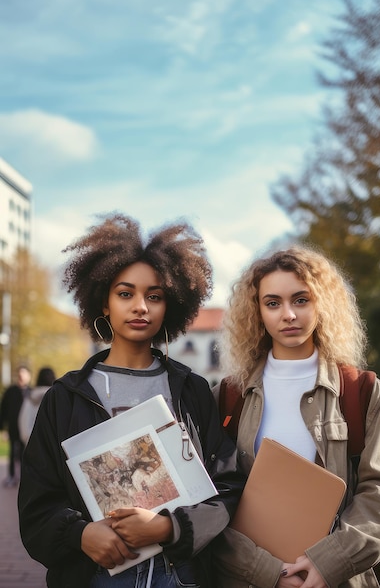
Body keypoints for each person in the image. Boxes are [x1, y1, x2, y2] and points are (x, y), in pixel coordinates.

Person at [18, 213, 244, 588]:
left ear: (169, 304)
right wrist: (80, 534)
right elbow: (36, 504)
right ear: (103, 303)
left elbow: (228, 488)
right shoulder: (65, 397)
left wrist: (169, 527)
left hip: (180, 575)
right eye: (126, 294)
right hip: (94, 575)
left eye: (154, 296)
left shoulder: (193, 390)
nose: (140, 306)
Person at [212, 245, 380, 588]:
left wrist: (328, 563)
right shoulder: (228, 396)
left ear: (322, 303)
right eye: (273, 303)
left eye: (301, 300)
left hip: (340, 578)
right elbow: (210, 502)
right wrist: (267, 572)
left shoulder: (363, 392)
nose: (288, 314)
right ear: (256, 311)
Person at [0, 364, 32, 487]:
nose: (21, 377)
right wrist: (3, 429)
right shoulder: (10, 391)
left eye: (24, 374)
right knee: (13, 452)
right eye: (20, 374)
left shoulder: (31, 392)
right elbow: (4, 410)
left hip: (27, 428)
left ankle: (25, 477)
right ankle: (12, 476)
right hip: (13, 427)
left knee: (26, 453)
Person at [18, 366, 56, 446]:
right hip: (53, 444)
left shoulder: (31, 397)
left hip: (33, 443)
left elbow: (24, 421)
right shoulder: (57, 398)